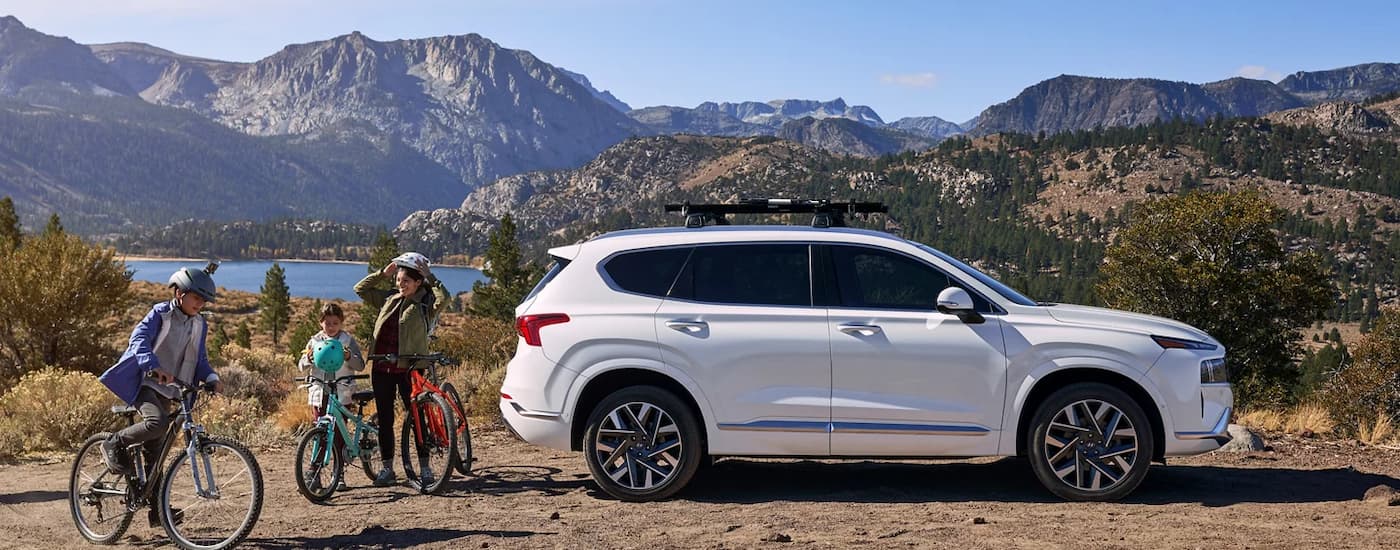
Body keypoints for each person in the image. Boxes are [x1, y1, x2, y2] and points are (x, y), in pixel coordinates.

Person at [98, 262, 223, 528]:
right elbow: (139, 340)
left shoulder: (199, 325)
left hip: (172, 390)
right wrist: (153, 367)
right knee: (157, 423)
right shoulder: (160, 314)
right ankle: (114, 443)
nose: (200, 303)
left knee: (158, 454)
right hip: (145, 384)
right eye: (196, 297)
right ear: (179, 292)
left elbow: (199, 359)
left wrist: (211, 377)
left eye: (204, 300)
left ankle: (157, 512)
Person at [354, 252, 449, 487]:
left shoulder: (426, 303)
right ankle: (387, 469)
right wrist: (382, 274)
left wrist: (431, 276)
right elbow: (360, 290)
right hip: (382, 367)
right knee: (385, 419)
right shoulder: (389, 299)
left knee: (417, 418)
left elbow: (445, 298)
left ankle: (425, 468)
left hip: (410, 368)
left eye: (405, 281)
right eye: (397, 280)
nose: (400, 284)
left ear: (417, 282)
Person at [296, 303, 365, 491]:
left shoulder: (347, 340)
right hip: (320, 393)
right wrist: (308, 359)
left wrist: (349, 356)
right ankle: (315, 473)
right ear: (321, 323)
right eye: (327, 323)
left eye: (335, 323)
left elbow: (360, 365)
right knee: (321, 433)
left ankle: (339, 473)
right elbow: (301, 364)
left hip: (342, 393)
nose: (331, 327)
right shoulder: (314, 341)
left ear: (341, 323)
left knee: (339, 435)